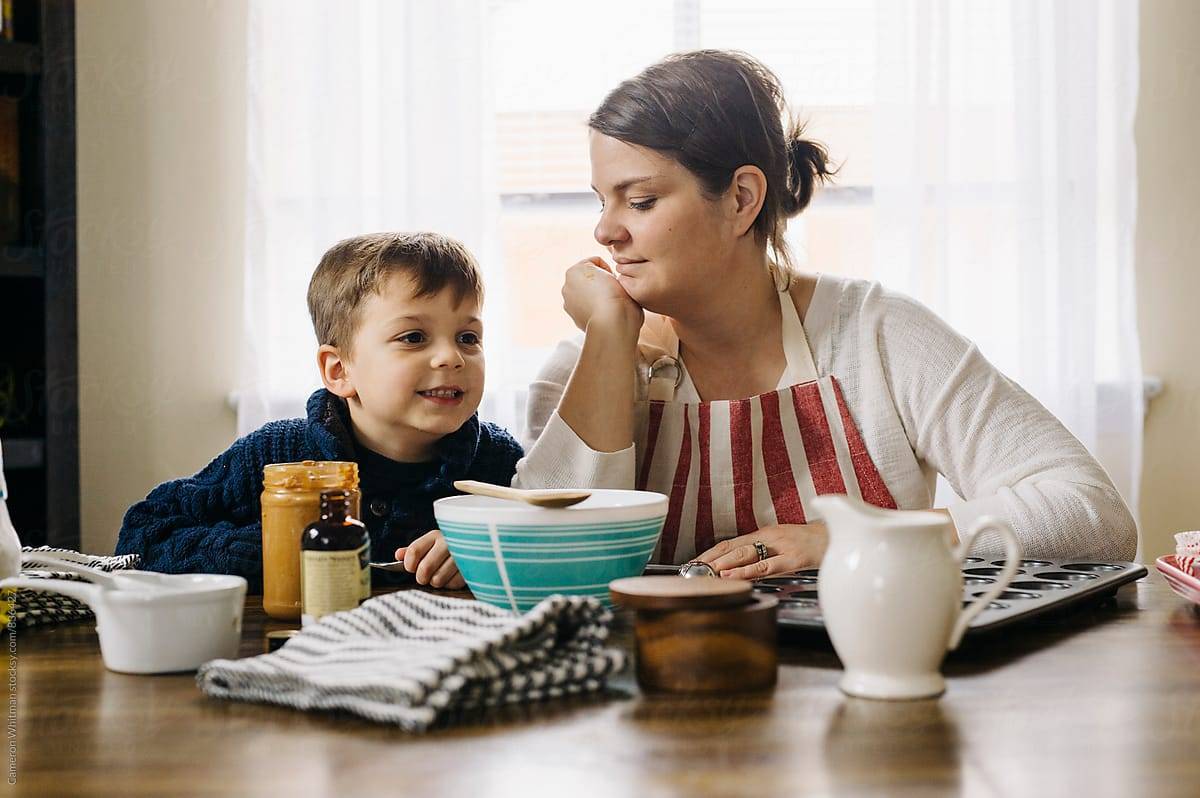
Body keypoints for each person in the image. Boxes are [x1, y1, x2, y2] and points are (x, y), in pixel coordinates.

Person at [513, 50, 1137, 579]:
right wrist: (609, 339)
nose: (604, 231)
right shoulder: (583, 363)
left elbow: (1094, 515)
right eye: (602, 201)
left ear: (741, 199)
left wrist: (853, 538)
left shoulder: (879, 335)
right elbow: (539, 561)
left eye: (641, 200)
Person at [116, 232, 522, 590]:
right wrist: (281, 549)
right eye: (414, 337)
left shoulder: (499, 461)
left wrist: (482, 546)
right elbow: (141, 537)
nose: (451, 357)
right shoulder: (275, 455)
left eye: (468, 337)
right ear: (340, 370)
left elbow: (556, 547)